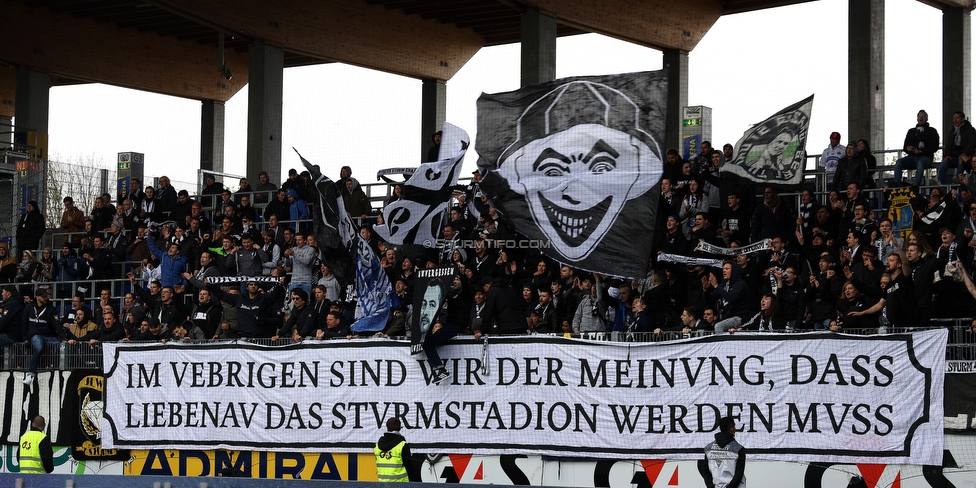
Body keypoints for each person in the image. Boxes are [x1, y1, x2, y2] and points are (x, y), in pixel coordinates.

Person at [892, 110, 940, 186]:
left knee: (920, 162)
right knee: (899, 162)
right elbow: (905, 146)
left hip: (926, 157)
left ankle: (915, 184)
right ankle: (896, 183)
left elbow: (934, 147)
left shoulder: (932, 131)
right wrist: (908, 148)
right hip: (912, 157)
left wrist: (921, 152)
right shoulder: (911, 131)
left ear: (927, 118)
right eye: (919, 116)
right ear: (917, 118)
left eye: (923, 116)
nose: (921, 117)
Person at [699, 416, 746, 488]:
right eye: (734, 427)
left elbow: (705, 471)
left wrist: (711, 486)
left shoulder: (708, 448)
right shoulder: (739, 449)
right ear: (731, 429)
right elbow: (738, 474)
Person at [374, 417, 417, 482]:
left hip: (382, 484)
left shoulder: (377, 445)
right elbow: (409, 466)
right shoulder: (403, 445)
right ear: (399, 428)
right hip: (401, 484)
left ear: (387, 427)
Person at [938, 111, 976, 184]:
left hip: (965, 156)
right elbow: (948, 144)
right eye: (954, 118)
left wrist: (964, 153)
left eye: (957, 118)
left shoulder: (970, 130)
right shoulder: (952, 131)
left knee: (961, 162)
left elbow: (972, 144)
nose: (955, 120)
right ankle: (940, 183)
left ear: (963, 119)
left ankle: (957, 182)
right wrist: (947, 155)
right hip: (953, 156)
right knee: (944, 163)